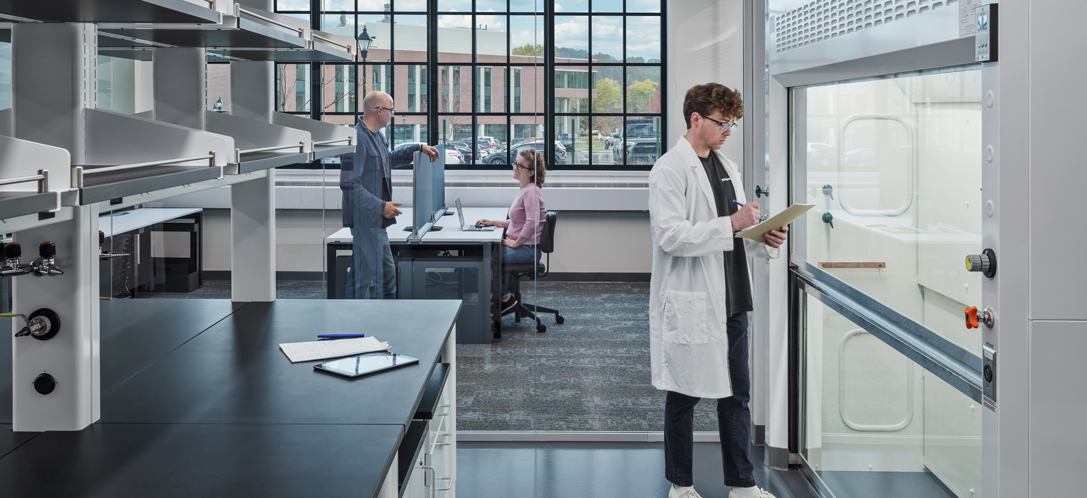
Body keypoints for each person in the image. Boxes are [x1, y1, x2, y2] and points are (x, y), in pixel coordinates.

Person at [648, 83, 789, 498]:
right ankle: (681, 485)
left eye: (733, 123)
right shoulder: (670, 169)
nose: (729, 130)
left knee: (737, 397)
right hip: (693, 300)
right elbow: (671, 236)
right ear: (696, 119)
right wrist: (733, 224)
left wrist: (763, 237)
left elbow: (735, 232)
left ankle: (742, 486)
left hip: (732, 299)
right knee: (684, 395)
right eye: (722, 122)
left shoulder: (727, 164)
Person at [341, 91, 439, 299]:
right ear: (379, 111)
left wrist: (418, 147)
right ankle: (387, 324)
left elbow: (388, 160)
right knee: (386, 275)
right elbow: (349, 183)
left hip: (372, 219)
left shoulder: (375, 136)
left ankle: (350, 319)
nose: (393, 115)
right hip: (366, 219)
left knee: (360, 275)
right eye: (391, 110)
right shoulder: (356, 139)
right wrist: (380, 206)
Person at [475, 148, 547, 313]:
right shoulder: (525, 189)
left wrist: (516, 243)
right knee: (485, 252)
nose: (515, 167)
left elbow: (532, 222)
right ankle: (502, 298)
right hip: (523, 247)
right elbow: (518, 221)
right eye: (515, 163)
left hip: (527, 250)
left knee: (483, 259)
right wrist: (494, 222)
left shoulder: (531, 192)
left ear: (531, 172)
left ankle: (506, 299)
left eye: (520, 166)